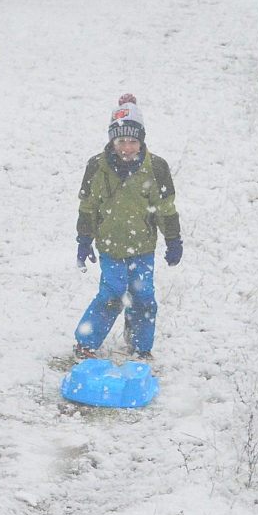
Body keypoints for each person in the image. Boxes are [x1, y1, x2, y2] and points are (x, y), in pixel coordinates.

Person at [72, 94, 182, 362]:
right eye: (121, 140)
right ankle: (85, 343)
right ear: (112, 140)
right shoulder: (96, 166)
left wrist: (173, 240)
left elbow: (166, 208)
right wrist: (84, 239)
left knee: (143, 296)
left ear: (141, 140)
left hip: (142, 246)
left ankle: (140, 346)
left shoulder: (156, 168)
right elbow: (88, 206)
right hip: (110, 246)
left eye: (133, 141)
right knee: (112, 294)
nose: (127, 147)